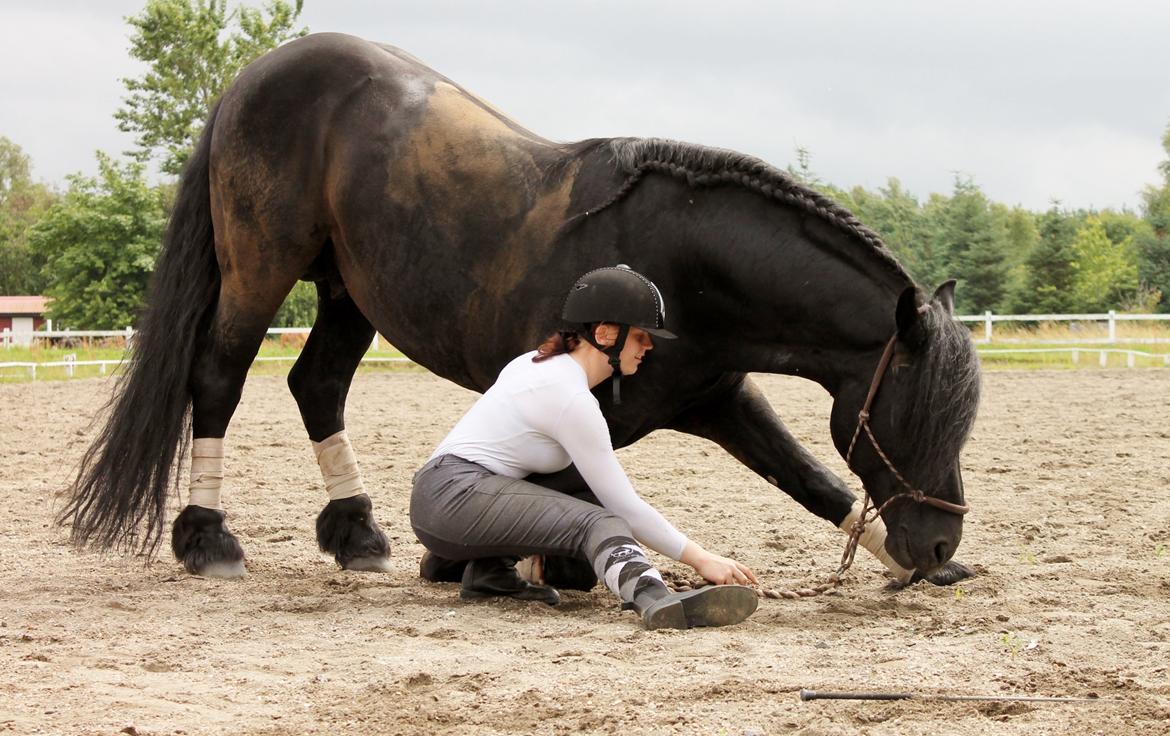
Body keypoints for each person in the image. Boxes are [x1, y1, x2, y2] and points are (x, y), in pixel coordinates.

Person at [410, 265, 759, 630]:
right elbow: (624, 507)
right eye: (641, 336)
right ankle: (654, 597)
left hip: (446, 496)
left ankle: (484, 572)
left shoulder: (537, 365)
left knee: (583, 486)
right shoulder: (569, 397)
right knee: (601, 521)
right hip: (453, 496)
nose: (649, 346)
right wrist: (701, 558)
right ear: (606, 334)